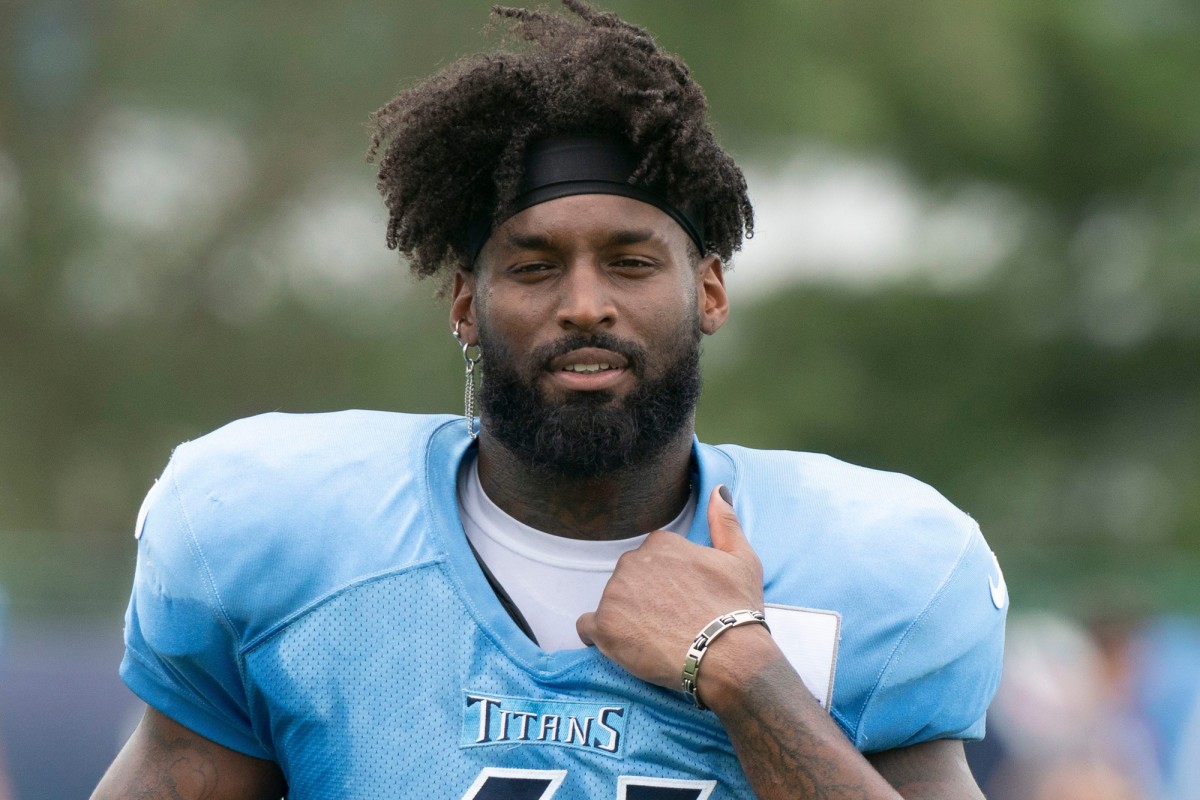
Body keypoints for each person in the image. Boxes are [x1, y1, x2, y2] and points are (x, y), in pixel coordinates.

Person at [92, 2, 1006, 798]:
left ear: (710, 292)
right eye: (533, 267)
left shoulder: (870, 567)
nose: (584, 305)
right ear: (465, 303)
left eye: (631, 262)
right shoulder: (284, 535)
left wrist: (740, 668)